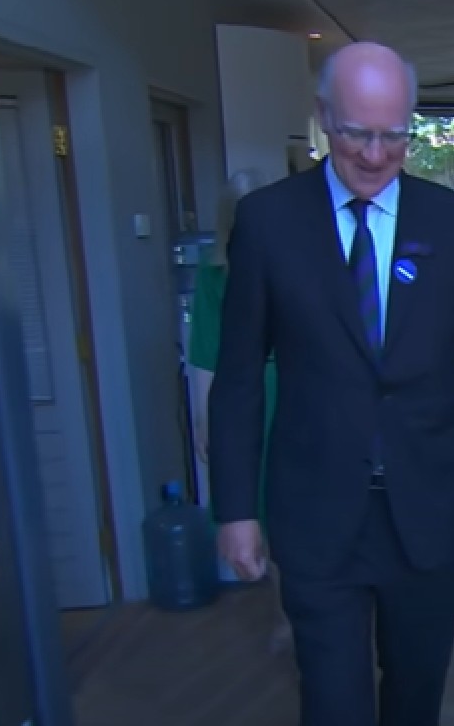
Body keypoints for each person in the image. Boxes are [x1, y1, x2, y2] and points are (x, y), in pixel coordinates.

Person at [208, 42, 454, 726]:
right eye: (356, 133)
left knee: (415, 699)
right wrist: (234, 509)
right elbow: (235, 378)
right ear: (324, 118)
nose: (376, 155)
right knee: (333, 702)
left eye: (393, 135)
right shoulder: (267, 223)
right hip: (318, 514)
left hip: (429, 512)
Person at [186, 168, 292, 650]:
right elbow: (206, 355)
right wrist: (205, 422)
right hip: (248, 402)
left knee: (300, 512)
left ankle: (305, 612)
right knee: (262, 515)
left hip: (298, 397)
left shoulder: (301, 262)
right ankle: (286, 612)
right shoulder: (214, 278)